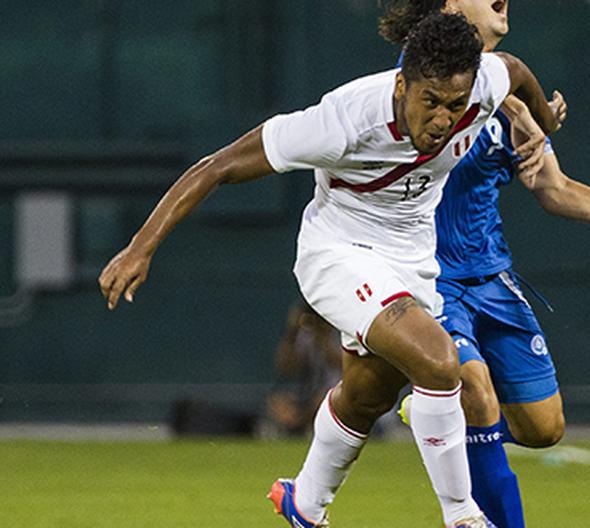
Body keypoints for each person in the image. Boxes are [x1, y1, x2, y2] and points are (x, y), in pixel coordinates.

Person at [99, 13, 563, 528]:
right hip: (339, 252)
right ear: (402, 83)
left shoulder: (480, 87)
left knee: (368, 395)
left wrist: (540, 118)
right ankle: (463, 517)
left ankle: (305, 503)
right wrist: (140, 248)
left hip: (411, 256)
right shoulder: (344, 120)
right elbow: (218, 166)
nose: (442, 119)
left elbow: (514, 69)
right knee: (438, 359)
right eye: (429, 101)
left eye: (454, 106)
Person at [380, 2, 590, 525]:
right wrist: (519, 109)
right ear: (451, 4)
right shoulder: (418, 82)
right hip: (429, 279)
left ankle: (433, 411)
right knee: (473, 391)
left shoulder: (507, 96)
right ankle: (449, 416)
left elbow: (553, 186)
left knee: (544, 428)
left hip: (492, 277)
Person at [265, 300, 343, 437]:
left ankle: (300, 427)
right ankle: (297, 428)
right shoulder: (304, 336)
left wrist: (323, 337)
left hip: (336, 392)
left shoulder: (340, 332)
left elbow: (340, 363)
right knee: (278, 402)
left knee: (322, 402)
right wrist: (292, 331)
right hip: (307, 393)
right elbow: (285, 367)